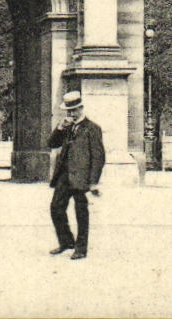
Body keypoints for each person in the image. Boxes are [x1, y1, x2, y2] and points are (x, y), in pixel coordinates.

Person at [48, 90, 105, 259]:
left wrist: (93, 181)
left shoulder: (92, 128)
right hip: (64, 176)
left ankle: (81, 249)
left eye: (74, 110)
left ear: (81, 108)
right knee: (56, 208)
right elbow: (51, 144)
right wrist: (59, 129)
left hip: (81, 177)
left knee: (81, 213)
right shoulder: (66, 127)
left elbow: (98, 157)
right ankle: (66, 241)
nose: (71, 114)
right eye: (68, 111)